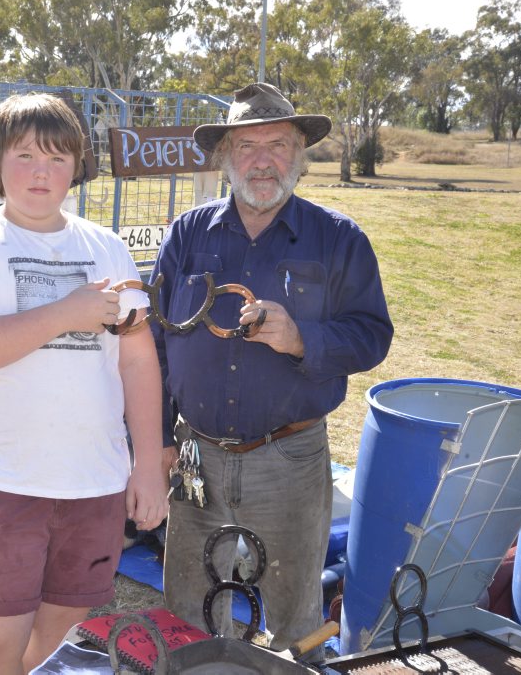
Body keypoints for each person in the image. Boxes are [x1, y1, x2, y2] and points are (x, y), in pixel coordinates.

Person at [0, 92, 169, 675]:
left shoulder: (106, 247)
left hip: (94, 484)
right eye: (25, 154)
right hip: (3, 483)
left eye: (58, 158)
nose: (41, 172)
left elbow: (136, 361)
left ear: (77, 167)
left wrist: (147, 467)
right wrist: (64, 313)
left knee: (60, 650)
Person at [153, 82, 393, 661]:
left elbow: (372, 335)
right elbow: (156, 344)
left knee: (291, 616)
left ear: (300, 156)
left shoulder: (338, 240)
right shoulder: (188, 235)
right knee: (189, 609)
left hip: (290, 459)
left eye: (278, 144)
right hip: (196, 457)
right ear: (226, 158)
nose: (262, 160)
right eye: (247, 145)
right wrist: (160, 439)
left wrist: (302, 338)